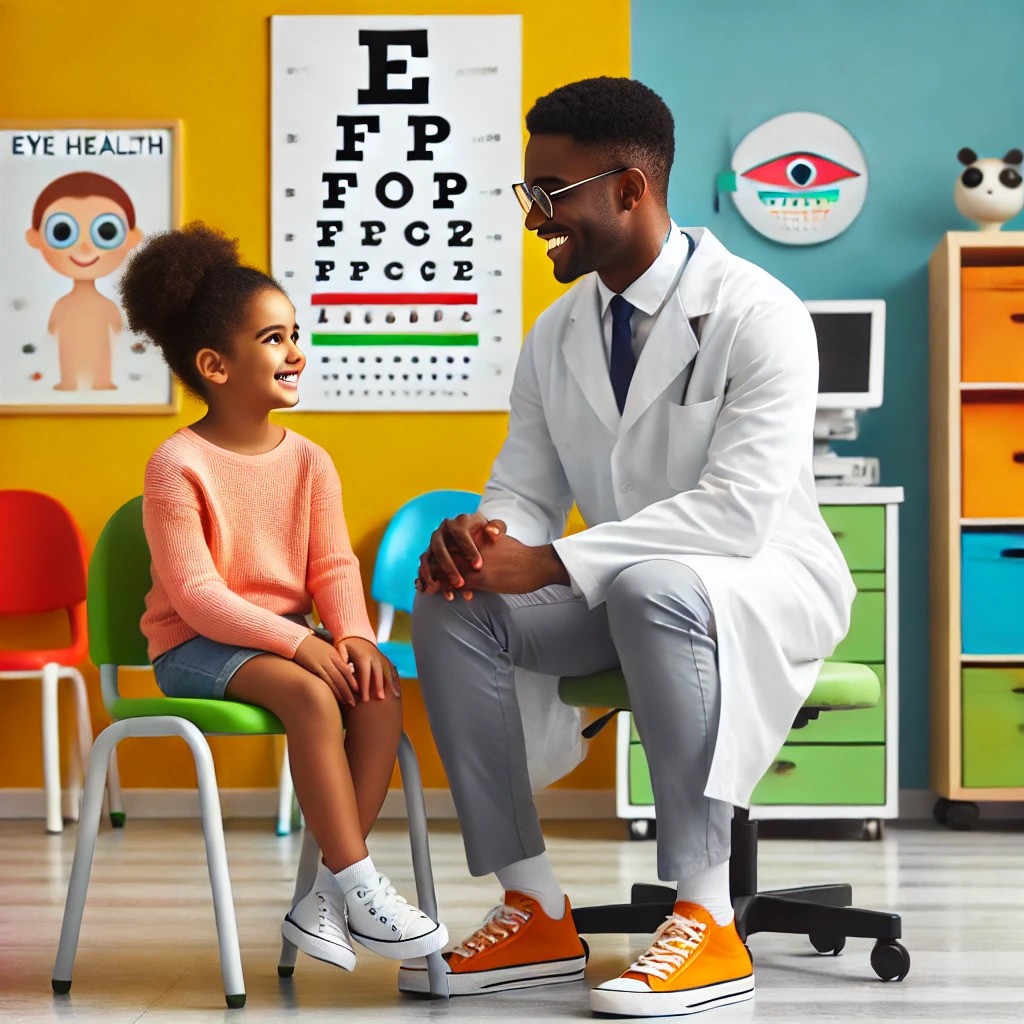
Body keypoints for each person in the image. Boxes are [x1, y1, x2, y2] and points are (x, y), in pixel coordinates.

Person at [403, 77, 855, 1017]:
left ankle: (707, 918)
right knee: (456, 606)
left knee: (653, 584)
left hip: (760, 580)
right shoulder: (556, 333)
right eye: (528, 192)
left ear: (628, 189)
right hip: (628, 591)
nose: (535, 215)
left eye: (551, 192)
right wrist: (487, 543)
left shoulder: (758, 313)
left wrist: (558, 561)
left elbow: (735, 514)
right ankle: (532, 904)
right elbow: (526, 488)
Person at [118, 222, 447, 975]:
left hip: (276, 640)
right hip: (194, 649)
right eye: (274, 337)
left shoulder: (310, 462)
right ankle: (359, 882)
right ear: (215, 364)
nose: (297, 351)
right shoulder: (176, 463)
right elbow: (196, 597)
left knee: (375, 687)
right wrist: (302, 643)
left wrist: (355, 639)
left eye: (296, 333)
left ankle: (323, 900)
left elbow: (332, 566)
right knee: (311, 697)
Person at [25, 171, 144, 391]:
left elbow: (116, 325)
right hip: (69, 347)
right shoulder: (65, 304)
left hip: (97, 347)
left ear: (131, 237)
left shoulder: (100, 304)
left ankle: (101, 381)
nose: (85, 248)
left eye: (106, 232)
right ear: (35, 237)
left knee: (101, 359)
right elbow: (116, 327)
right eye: (62, 232)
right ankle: (69, 381)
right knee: (68, 358)